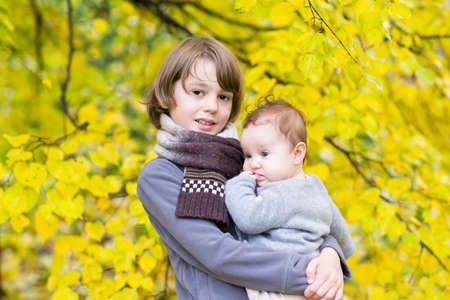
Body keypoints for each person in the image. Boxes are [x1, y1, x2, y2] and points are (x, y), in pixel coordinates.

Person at [137, 36, 351, 300]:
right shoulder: (161, 175)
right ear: (166, 94)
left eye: (223, 96)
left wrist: (331, 256)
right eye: (197, 92)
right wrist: (311, 274)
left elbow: (304, 208)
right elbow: (216, 254)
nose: (212, 106)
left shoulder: (250, 160)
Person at [225, 99, 356, 300]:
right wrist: (331, 254)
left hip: (281, 289)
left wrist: (237, 185)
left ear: (297, 153)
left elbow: (248, 218)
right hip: (308, 284)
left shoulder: (283, 194)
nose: (253, 164)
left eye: (264, 153)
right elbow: (343, 240)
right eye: (248, 155)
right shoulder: (315, 186)